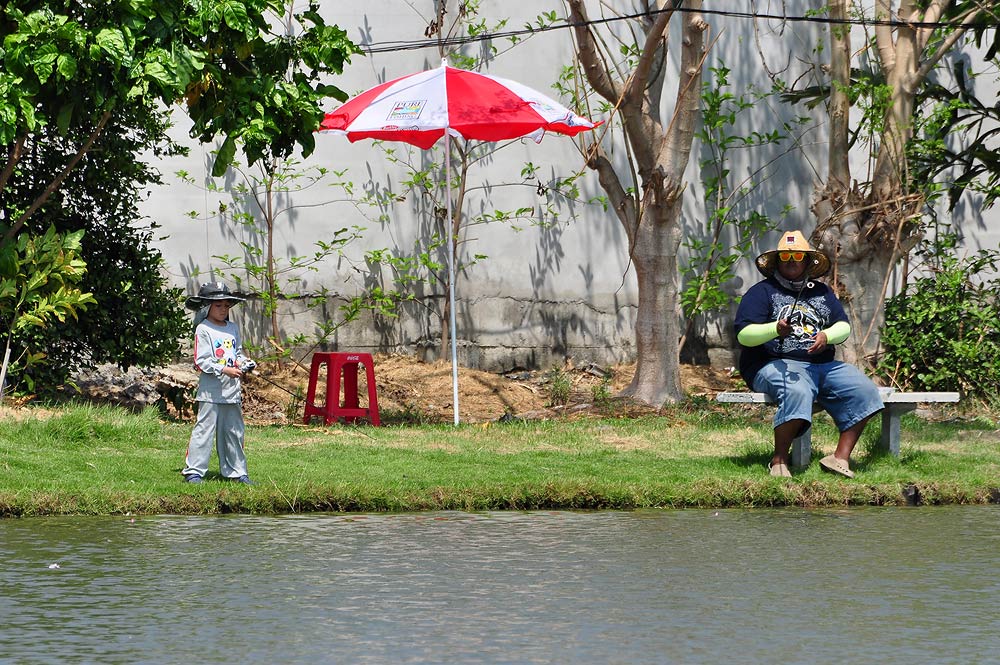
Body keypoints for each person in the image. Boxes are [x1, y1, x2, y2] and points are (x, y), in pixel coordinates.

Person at [734, 230, 883, 478]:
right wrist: (774, 329)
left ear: (807, 261)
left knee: (865, 391)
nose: (792, 261)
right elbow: (744, 335)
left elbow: (843, 326)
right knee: (797, 390)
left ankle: (839, 459)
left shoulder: (821, 292)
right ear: (777, 261)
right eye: (786, 256)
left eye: (798, 255)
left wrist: (826, 336)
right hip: (772, 363)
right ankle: (779, 460)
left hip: (822, 366)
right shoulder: (761, 292)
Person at [181, 281, 255, 484]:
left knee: (234, 431)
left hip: (232, 392)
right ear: (206, 307)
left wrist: (244, 363)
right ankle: (194, 471)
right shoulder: (203, 329)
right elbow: (201, 360)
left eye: (226, 306)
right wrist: (224, 369)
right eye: (218, 306)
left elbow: (236, 353)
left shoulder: (231, 328)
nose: (223, 310)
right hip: (211, 392)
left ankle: (237, 472)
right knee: (204, 430)